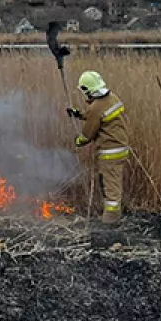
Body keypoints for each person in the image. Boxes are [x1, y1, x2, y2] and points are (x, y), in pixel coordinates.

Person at [67, 71, 129, 222]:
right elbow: (98, 115)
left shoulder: (96, 107)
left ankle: (110, 220)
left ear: (87, 90)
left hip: (110, 151)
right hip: (120, 147)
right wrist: (79, 114)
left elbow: (88, 134)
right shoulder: (112, 98)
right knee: (109, 181)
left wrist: (78, 141)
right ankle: (112, 214)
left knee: (111, 186)